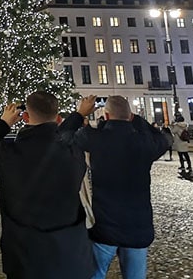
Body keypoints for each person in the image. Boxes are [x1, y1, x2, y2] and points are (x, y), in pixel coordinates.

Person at [0, 91, 93, 279]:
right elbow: (61, 136)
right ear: (58, 118)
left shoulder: (8, 154)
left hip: (26, 259)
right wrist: (77, 115)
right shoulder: (73, 152)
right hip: (70, 255)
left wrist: (3, 124)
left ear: (25, 117)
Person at [62, 95, 171, 279]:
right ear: (130, 116)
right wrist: (136, 119)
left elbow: (63, 135)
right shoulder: (144, 143)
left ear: (106, 114)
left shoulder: (95, 138)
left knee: (95, 274)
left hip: (105, 225)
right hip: (138, 226)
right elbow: (165, 138)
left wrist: (80, 113)